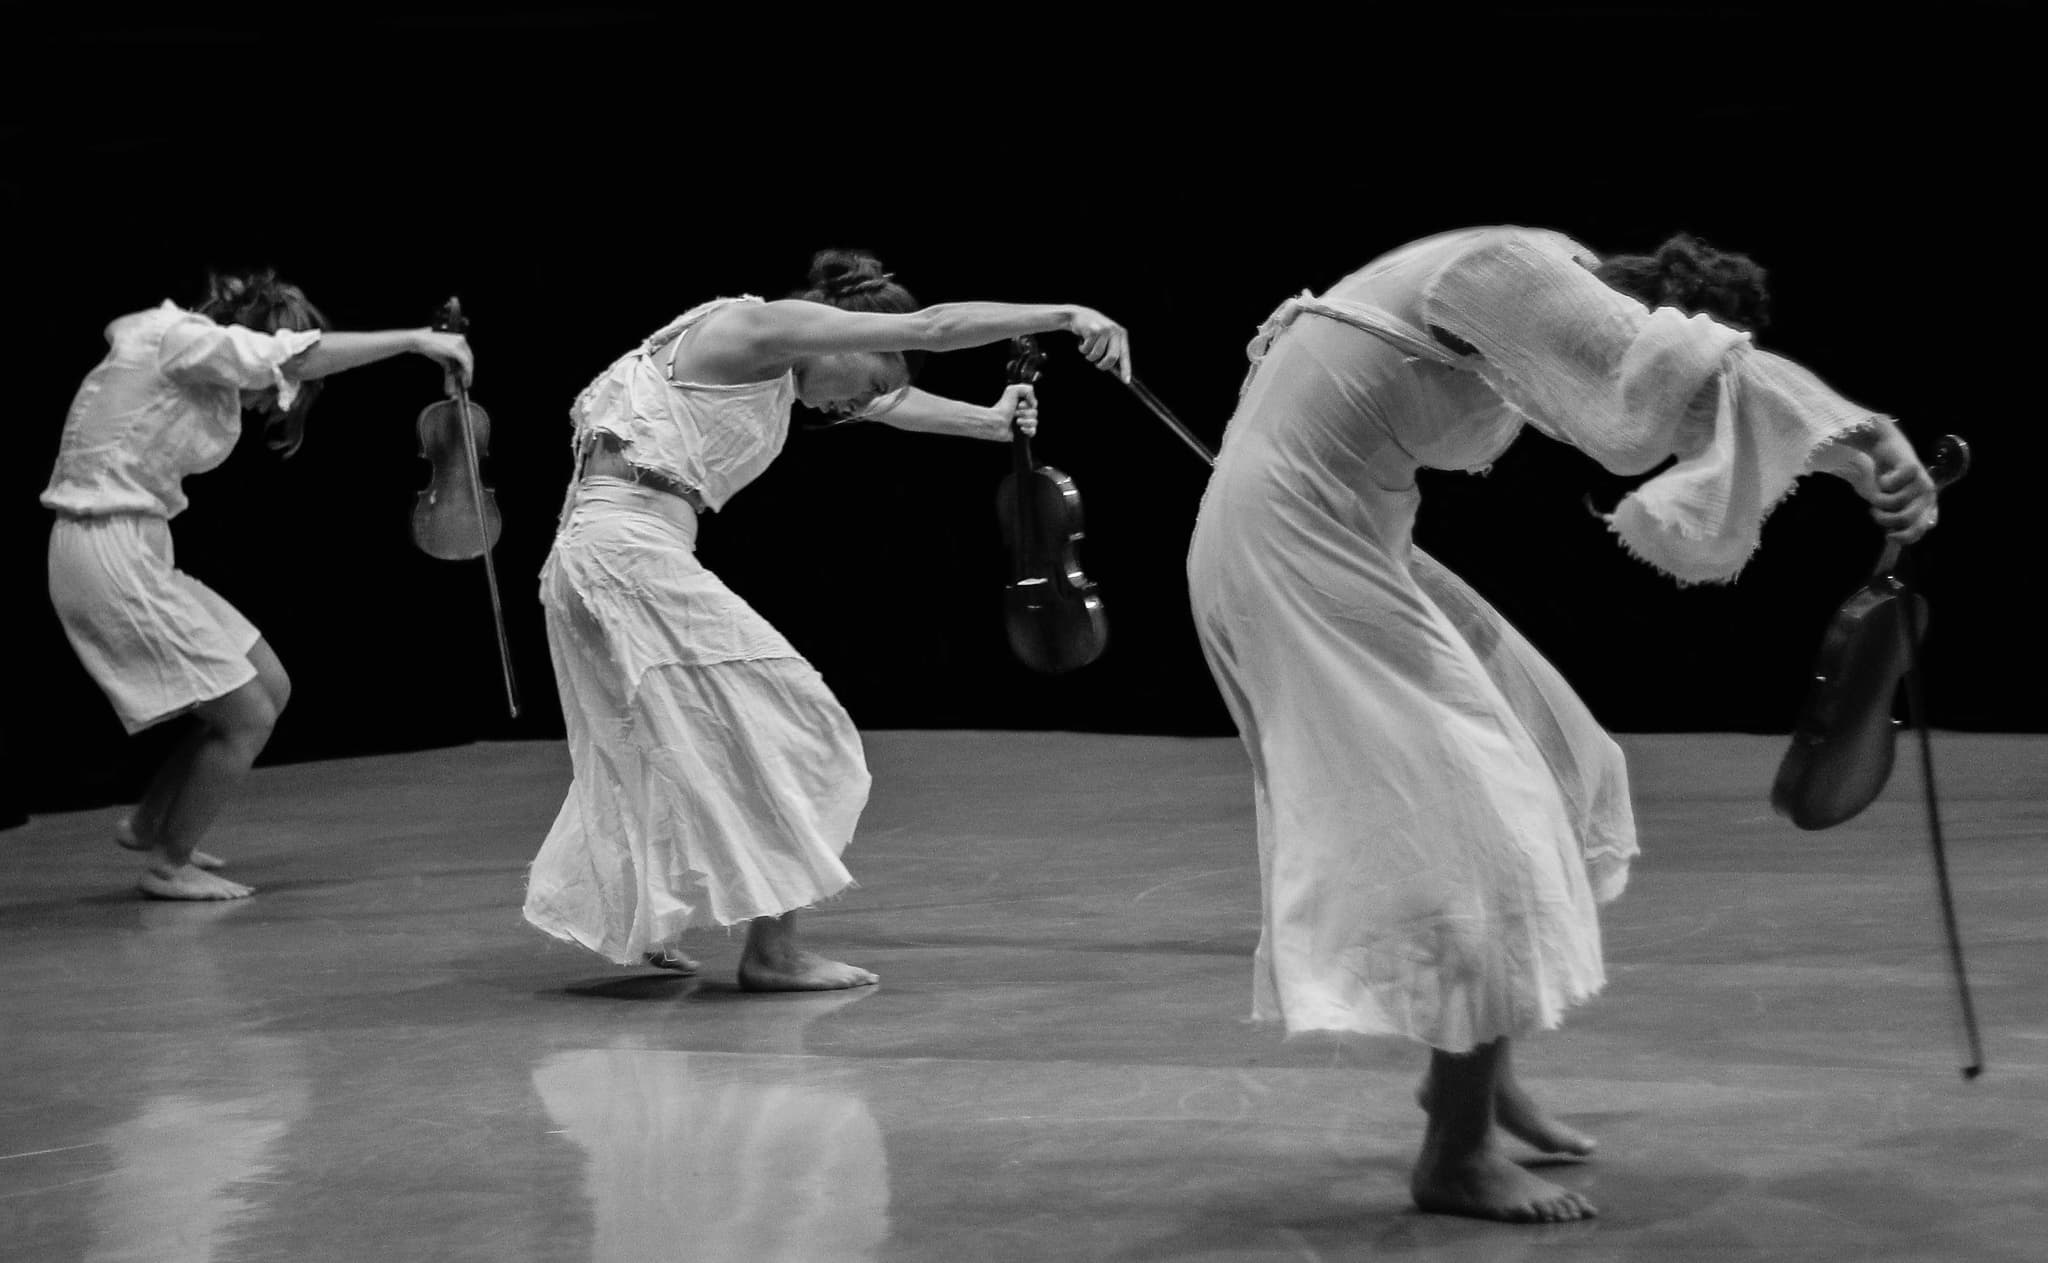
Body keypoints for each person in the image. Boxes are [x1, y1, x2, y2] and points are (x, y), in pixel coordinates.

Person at [1185, 227, 1937, 1223]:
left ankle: (1471, 1079)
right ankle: (1453, 1153)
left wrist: (1842, 463)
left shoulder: (1478, 295)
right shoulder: (1505, 273)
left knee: (1562, 768)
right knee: (1485, 837)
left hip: (1347, 538)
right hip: (1292, 552)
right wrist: (1866, 435)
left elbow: (1686, 398)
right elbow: (1671, 377)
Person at [523, 249, 1130, 991]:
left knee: (653, 747)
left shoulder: (775, 366)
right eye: (870, 376)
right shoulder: (756, 326)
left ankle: (650, 927)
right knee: (799, 726)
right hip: (626, 557)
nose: (845, 410)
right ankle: (773, 952)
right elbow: (934, 328)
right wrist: (1069, 314)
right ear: (852, 337)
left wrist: (989, 424)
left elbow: (884, 401)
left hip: (590, 558)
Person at [43, 270, 475, 900]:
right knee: (243, 715)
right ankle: (169, 864)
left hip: (135, 545)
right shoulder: (181, 339)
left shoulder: (183, 353)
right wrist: (416, 340)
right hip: (105, 549)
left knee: (267, 683)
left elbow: (272, 366)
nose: (280, 393)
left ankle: (148, 823)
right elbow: (287, 356)